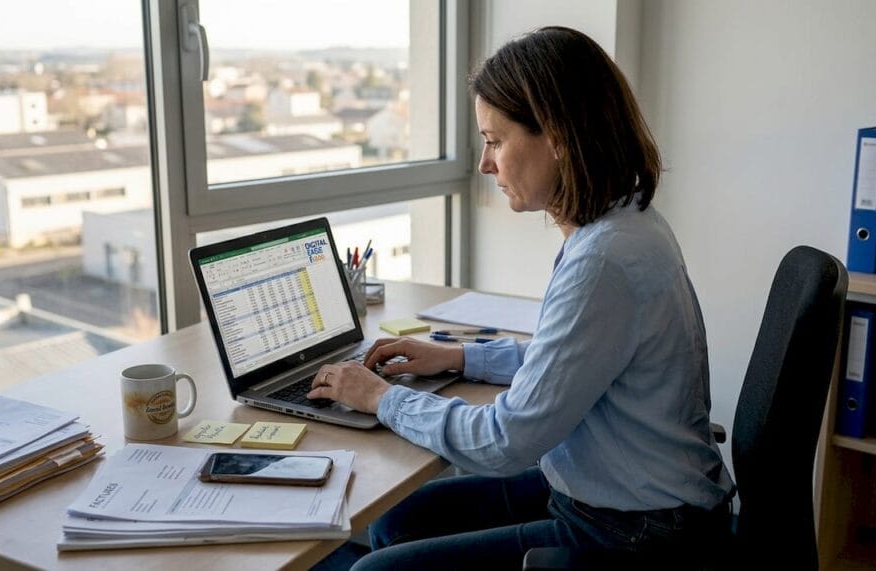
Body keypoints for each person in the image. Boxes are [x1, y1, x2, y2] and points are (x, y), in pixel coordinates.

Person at [307, 25, 735, 569]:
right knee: (396, 521)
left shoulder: (603, 261)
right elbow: (572, 363)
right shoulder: (626, 223)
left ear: (556, 137)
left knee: (372, 567)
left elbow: (503, 441)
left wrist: (380, 398)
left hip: (636, 531)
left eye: (495, 141)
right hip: (625, 494)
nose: (485, 165)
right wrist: (459, 357)